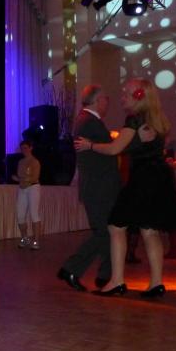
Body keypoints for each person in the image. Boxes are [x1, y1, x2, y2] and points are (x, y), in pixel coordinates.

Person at [75, 78, 176, 298]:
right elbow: (142, 146)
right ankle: (156, 284)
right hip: (159, 177)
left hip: (143, 179)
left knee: (116, 226)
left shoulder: (135, 119)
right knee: (150, 231)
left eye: (126, 94)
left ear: (139, 96)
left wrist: (90, 145)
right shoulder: (158, 119)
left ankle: (116, 281)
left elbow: (114, 149)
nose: (122, 98)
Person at [57, 84, 121, 292]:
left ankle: (104, 276)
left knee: (108, 231)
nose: (107, 102)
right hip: (98, 187)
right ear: (96, 100)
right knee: (104, 232)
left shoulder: (87, 121)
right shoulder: (88, 122)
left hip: (99, 186)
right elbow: (110, 151)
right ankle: (71, 269)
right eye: (105, 98)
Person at [12, 140, 42, 250]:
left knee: (34, 214)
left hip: (33, 187)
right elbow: (20, 176)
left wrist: (19, 179)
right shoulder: (21, 162)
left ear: (31, 148)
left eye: (25, 148)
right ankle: (25, 238)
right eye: (22, 148)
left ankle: (36, 241)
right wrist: (19, 179)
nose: (23, 150)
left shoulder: (35, 162)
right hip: (22, 188)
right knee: (20, 215)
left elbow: (34, 178)